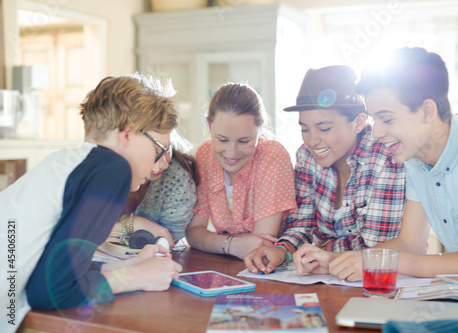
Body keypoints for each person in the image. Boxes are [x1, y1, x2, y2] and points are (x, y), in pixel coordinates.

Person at [294, 47, 458, 281]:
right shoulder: (414, 156)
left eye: (387, 119)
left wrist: (366, 261)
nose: (377, 132)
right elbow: (410, 243)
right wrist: (337, 262)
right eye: (375, 119)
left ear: (427, 111)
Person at [0, 74, 183, 332]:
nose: (160, 164)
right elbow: (49, 293)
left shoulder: (65, 161)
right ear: (128, 134)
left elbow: (61, 268)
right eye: (159, 150)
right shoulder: (112, 169)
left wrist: (129, 264)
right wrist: (137, 277)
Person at [244, 66, 405, 274]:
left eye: (324, 128)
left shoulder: (386, 158)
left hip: (380, 280)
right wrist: (281, 250)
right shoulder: (306, 156)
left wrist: (318, 250)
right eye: (304, 129)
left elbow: (374, 247)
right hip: (329, 278)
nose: (311, 140)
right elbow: (302, 223)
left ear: (358, 123)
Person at [186, 83, 297, 260]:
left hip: (269, 267)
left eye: (244, 141)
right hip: (226, 263)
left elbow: (260, 246)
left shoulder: (272, 156)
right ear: (209, 126)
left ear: (260, 131)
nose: (232, 153)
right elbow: (193, 233)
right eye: (222, 140)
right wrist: (232, 245)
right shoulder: (205, 154)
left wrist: (214, 240)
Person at [110, 133, 198, 248]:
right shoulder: (99, 170)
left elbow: (167, 241)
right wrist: (132, 223)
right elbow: (83, 228)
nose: (163, 165)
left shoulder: (174, 175)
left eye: (167, 149)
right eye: (155, 152)